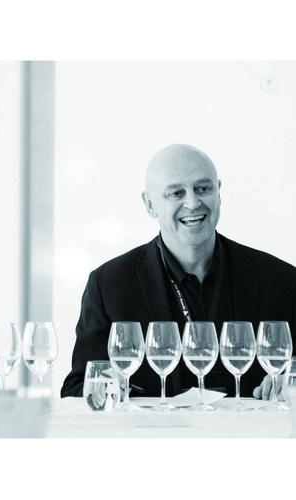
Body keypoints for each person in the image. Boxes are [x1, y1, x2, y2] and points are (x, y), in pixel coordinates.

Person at [61, 143, 296, 400]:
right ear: (150, 205)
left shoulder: (283, 280)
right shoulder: (107, 285)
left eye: (203, 188)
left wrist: (292, 380)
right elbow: (76, 388)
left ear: (218, 193)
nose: (193, 203)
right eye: (176, 193)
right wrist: (105, 387)